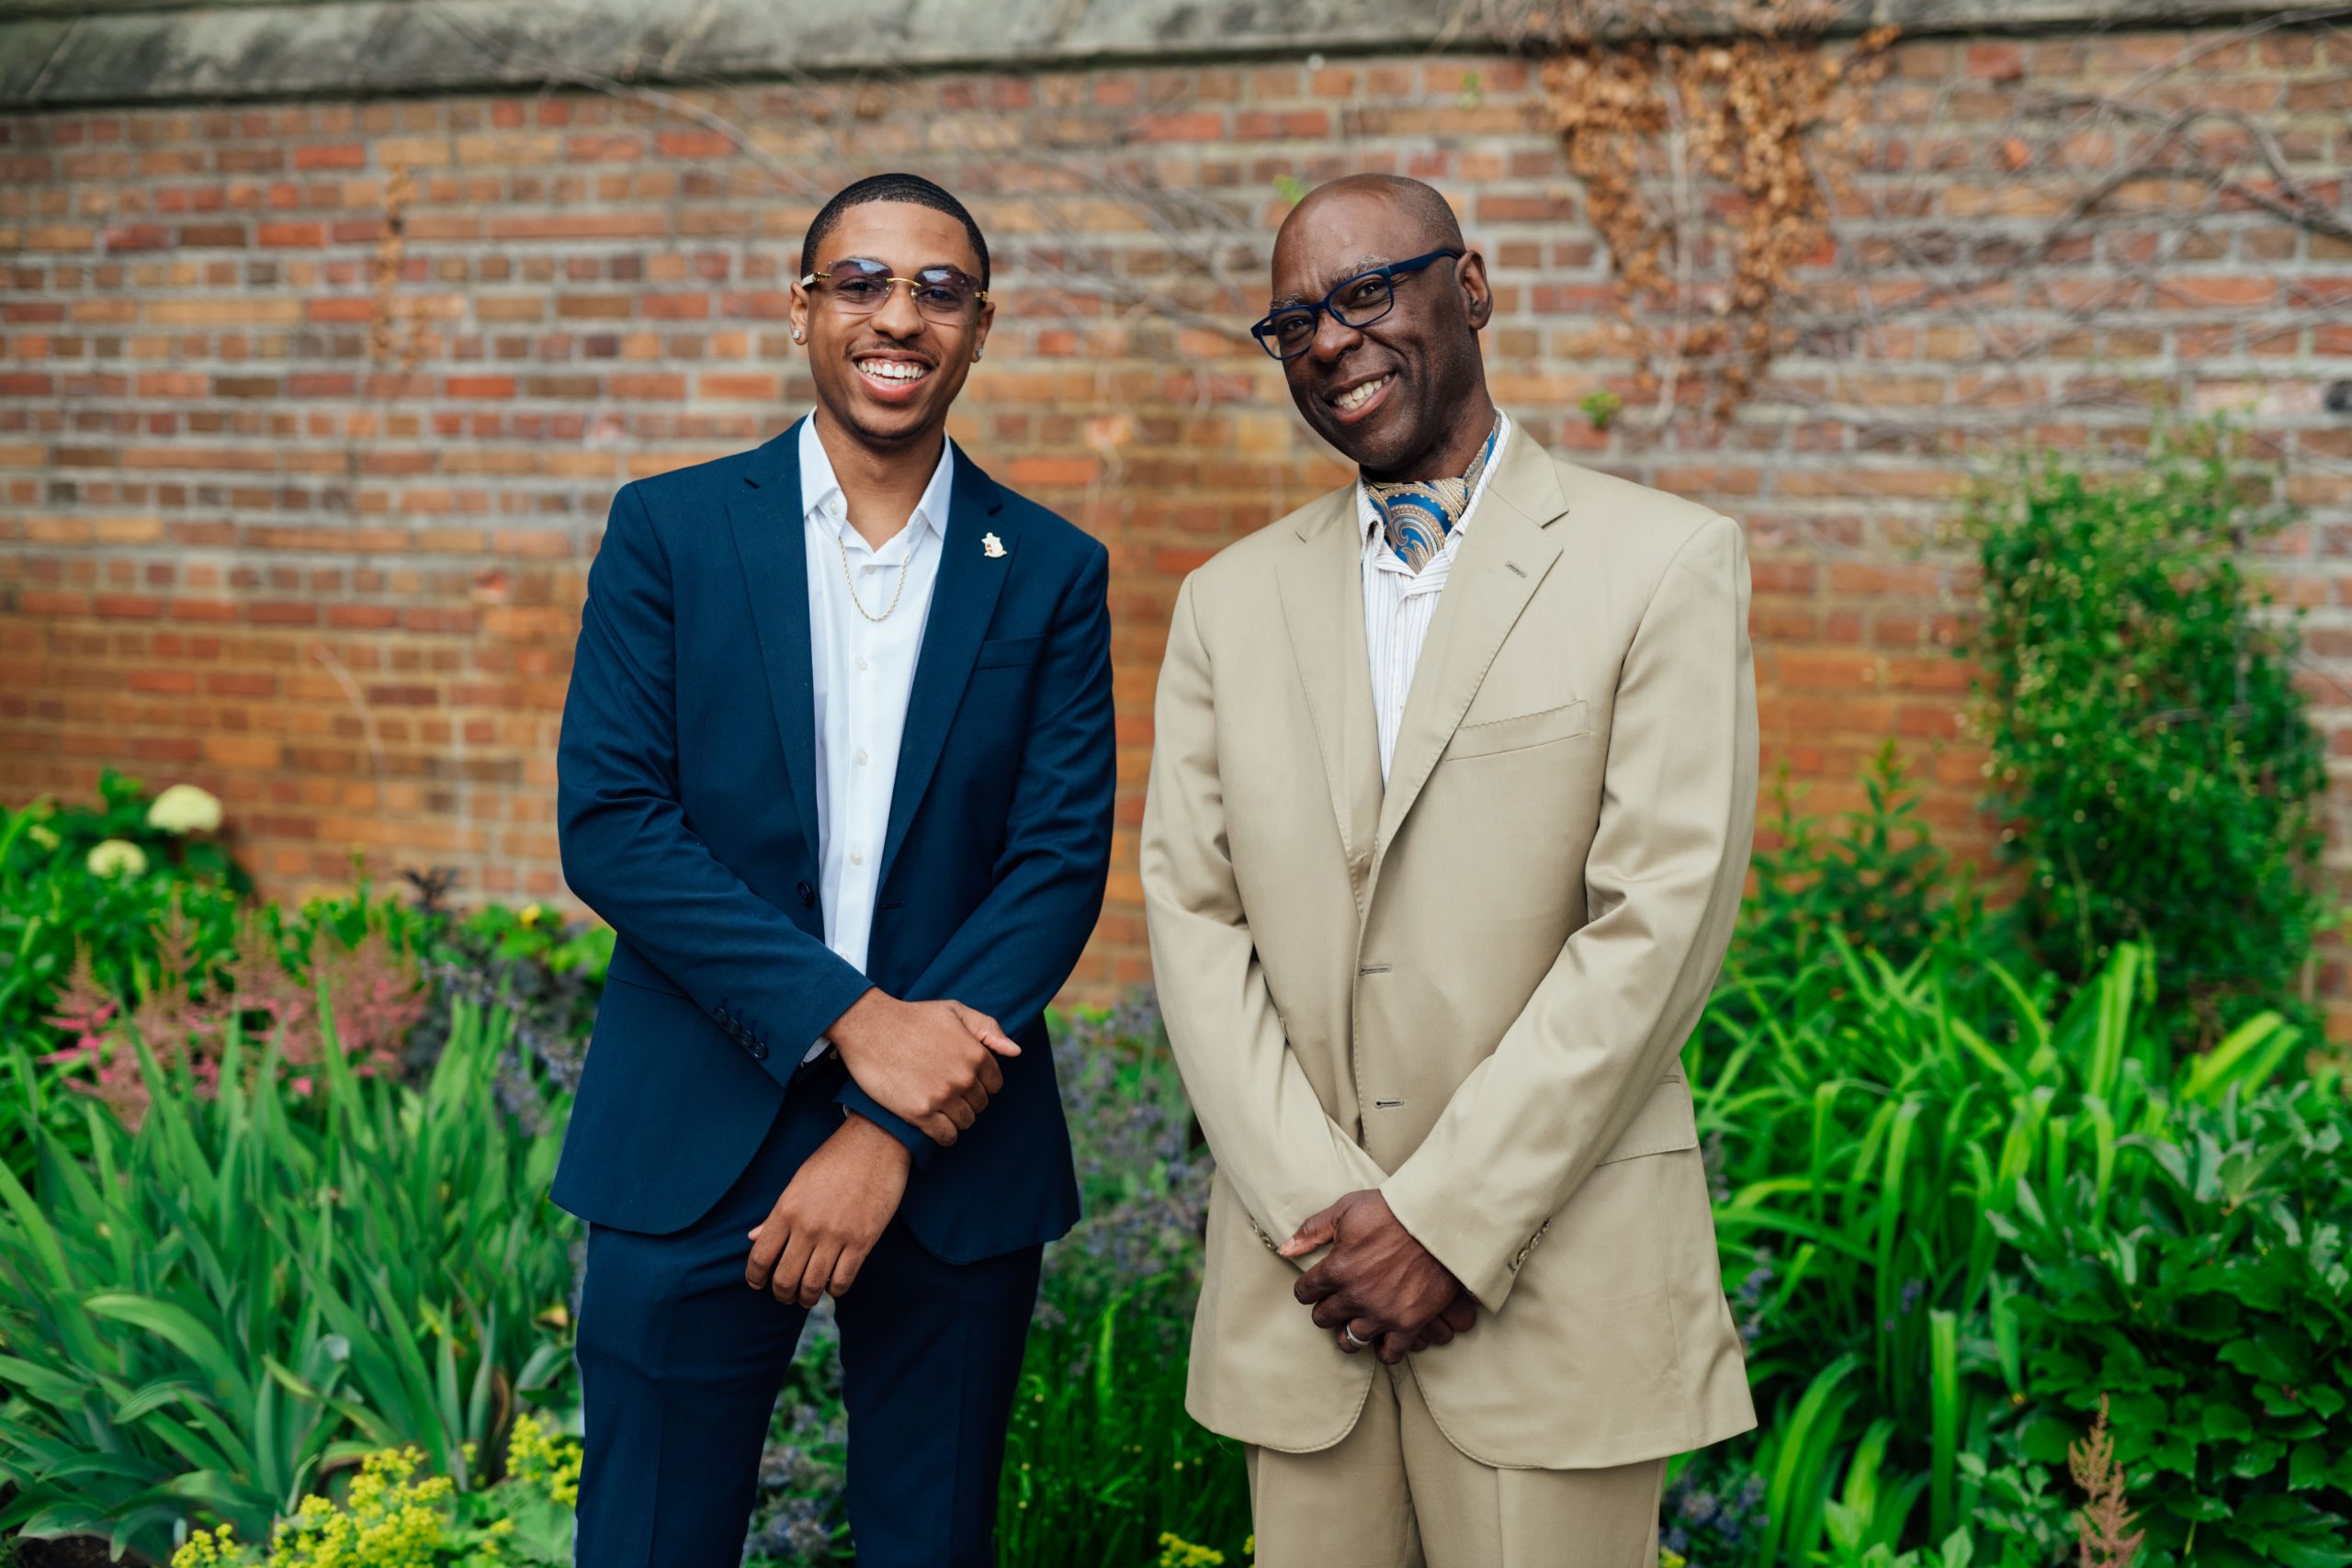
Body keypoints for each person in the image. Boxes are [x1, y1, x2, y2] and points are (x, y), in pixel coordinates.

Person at [1141, 174, 1758, 1566]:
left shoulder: (1661, 564)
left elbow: (1657, 925)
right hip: (1309, 1315)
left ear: (1468, 288)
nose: (1332, 341)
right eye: (1293, 320)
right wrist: (1335, 1226)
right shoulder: (1225, 606)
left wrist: (1446, 1224)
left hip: (1555, 1299)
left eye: (1368, 293)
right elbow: (1193, 915)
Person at [551, 172, 1114, 1568]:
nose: (897, 316)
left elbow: (1054, 865)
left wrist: (888, 1131)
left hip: (954, 1155)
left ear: (981, 329)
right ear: (800, 307)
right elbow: (613, 822)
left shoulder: (1049, 568)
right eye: (859, 281)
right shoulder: (670, 533)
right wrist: (858, 1027)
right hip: (690, 1128)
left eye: (939, 290)